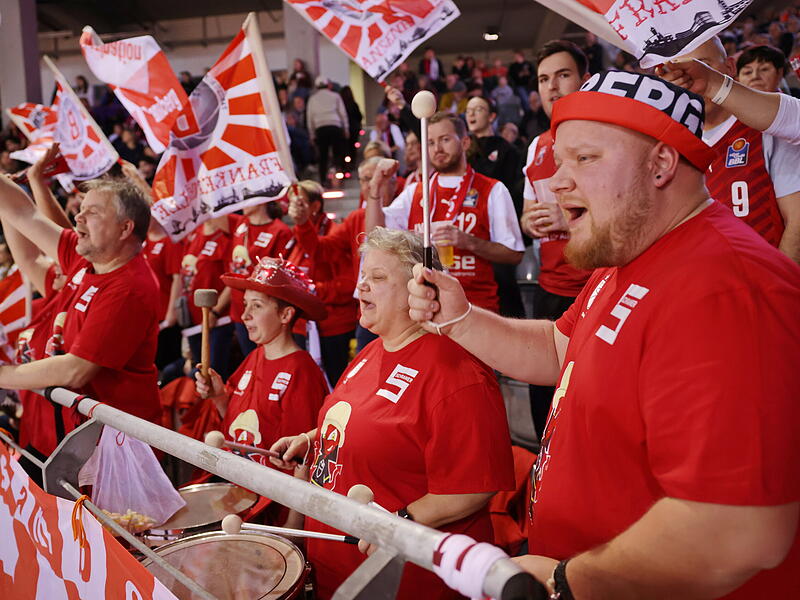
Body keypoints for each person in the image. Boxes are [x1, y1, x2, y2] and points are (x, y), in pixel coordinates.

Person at [407, 70, 800, 599]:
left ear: (661, 163)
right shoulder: (630, 255)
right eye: (559, 160)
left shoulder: (725, 284)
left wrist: (567, 580)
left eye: (584, 159)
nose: (558, 181)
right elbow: (562, 349)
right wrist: (460, 318)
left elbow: (737, 530)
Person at [270, 227, 515, 600]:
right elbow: (359, 422)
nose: (362, 288)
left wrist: (396, 524)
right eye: (363, 277)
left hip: (403, 582)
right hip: (340, 570)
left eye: (378, 278)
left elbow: (475, 487)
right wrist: (311, 438)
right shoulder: (371, 352)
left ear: (419, 290)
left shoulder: (458, 373)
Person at [0, 172, 162, 429]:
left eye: (93, 212)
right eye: (82, 208)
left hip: (108, 450)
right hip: (67, 433)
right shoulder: (86, 259)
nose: (78, 216)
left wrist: (2, 375)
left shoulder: (130, 288)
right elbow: (25, 215)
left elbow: (76, 370)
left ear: (125, 228)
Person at [368, 112, 524, 314]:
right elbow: (375, 234)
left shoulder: (493, 190)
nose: (437, 148)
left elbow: (514, 254)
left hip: (476, 309)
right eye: (431, 143)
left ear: (465, 143)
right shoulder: (415, 192)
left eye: (445, 139)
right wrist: (375, 186)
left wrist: (468, 241)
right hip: (426, 308)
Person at [520, 40, 593, 437]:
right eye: (544, 79)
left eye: (563, 75)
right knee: (544, 400)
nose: (552, 86)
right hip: (551, 286)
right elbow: (529, 214)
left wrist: (566, 218)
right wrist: (531, 221)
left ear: (585, 79)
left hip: (597, 284)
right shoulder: (537, 145)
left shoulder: (606, 136)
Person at [195, 256, 328, 472]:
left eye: (256, 306)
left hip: (271, 498)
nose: (245, 315)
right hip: (238, 483)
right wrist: (219, 397)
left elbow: (301, 461)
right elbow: (237, 428)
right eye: (245, 304)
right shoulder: (254, 357)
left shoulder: (301, 371)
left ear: (285, 314)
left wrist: (294, 507)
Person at [678, 37, 800, 262]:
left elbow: (797, 223)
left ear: (730, 67)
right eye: (681, 74)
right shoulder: (669, 146)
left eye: (703, 66)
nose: (693, 80)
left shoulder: (769, 127)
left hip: (768, 284)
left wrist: (779, 286)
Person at [291, 157, 396, 353]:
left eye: (376, 178)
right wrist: (304, 223)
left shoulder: (408, 210)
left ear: (394, 181)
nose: (370, 185)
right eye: (364, 179)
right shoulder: (356, 218)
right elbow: (321, 250)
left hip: (404, 314)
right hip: (368, 315)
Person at [284, 181, 358, 386]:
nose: (293, 207)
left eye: (299, 202)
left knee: (335, 385)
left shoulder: (336, 233)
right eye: (291, 202)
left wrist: (313, 290)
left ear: (315, 206)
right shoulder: (295, 236)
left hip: (332, 328)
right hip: (300, 326)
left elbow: (348, 286)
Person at [659, 55, 800, 145]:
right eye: (675, 74)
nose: (687, 79)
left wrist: (712, 83)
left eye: (705, 65)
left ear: (730, 67)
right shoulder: (671, 149)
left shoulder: (769, 131)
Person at [225, 200, 292, 357]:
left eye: (247, 197)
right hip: (239, 309)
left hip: (263, 312)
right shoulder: (241, 223)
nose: (241, 202)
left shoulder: (280, 231)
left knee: (266, 359)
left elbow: (282, 279)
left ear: (262, 200)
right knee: (251, 360)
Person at [180, 215, 238, 379]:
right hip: (193, 318)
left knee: (213, 373)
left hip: (217, 320)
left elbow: (233, 278)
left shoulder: (227, 237)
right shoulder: (194, 233)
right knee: (199, 373)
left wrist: (216, 312)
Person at [306, 76, 349, 184]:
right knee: (337, 153)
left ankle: (323, 180)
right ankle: (338, 175)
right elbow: (343, 113)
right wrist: (346, 128)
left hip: (320, 129)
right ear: (328, 85)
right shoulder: (335, 96)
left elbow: (309, 117)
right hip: (335, 126)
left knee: (322, 156)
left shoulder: (313, 99)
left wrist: (311, 134)